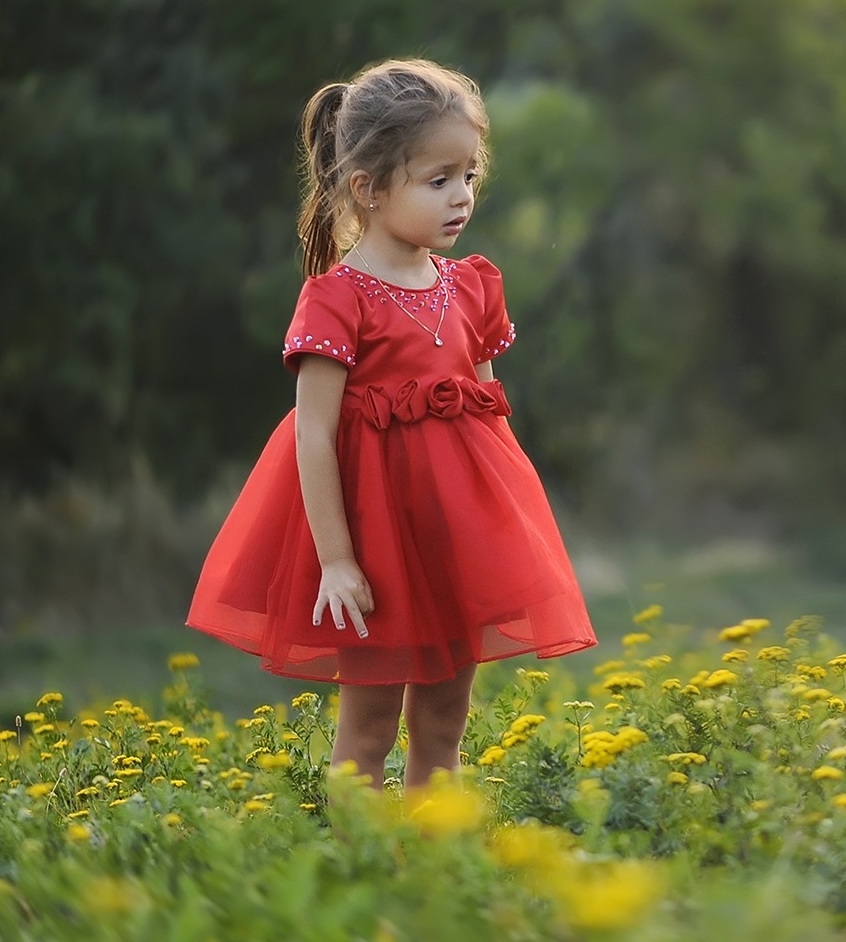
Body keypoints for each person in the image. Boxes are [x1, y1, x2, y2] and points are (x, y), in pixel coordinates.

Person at [188, 58, 597, 789]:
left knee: (444, 723)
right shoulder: (337, 299)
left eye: (469, 176)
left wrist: (505, 537)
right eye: (438, 180)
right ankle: (368, 873)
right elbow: (312, 436)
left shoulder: (471, 286)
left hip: (452, 544)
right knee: (369, 731)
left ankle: (430, 871)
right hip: (376, 550)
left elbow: (489, 417)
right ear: (368, 189)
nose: (462, 196)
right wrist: (339, 560)